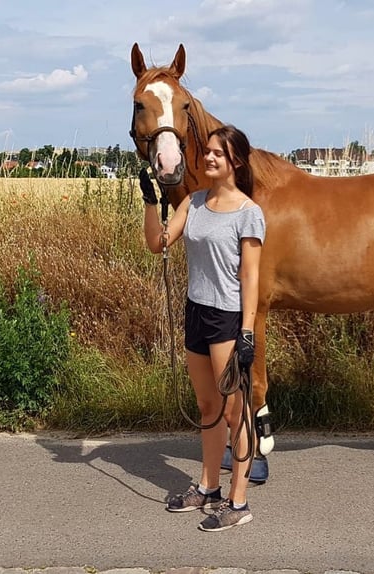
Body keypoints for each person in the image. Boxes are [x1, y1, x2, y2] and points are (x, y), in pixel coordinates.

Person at [139, 124, 265, 532]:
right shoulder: (192, 203)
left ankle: (239, 501)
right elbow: (158, 243)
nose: (209, 158)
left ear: (236, 162)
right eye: (208, 152)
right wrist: (149, 201)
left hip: (228, 319)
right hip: (196, 311)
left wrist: (247, 333)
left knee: (235, 413)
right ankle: (208, 487)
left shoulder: (249, 212)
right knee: (208, 408)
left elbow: (251, 277)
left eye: (219, 154)